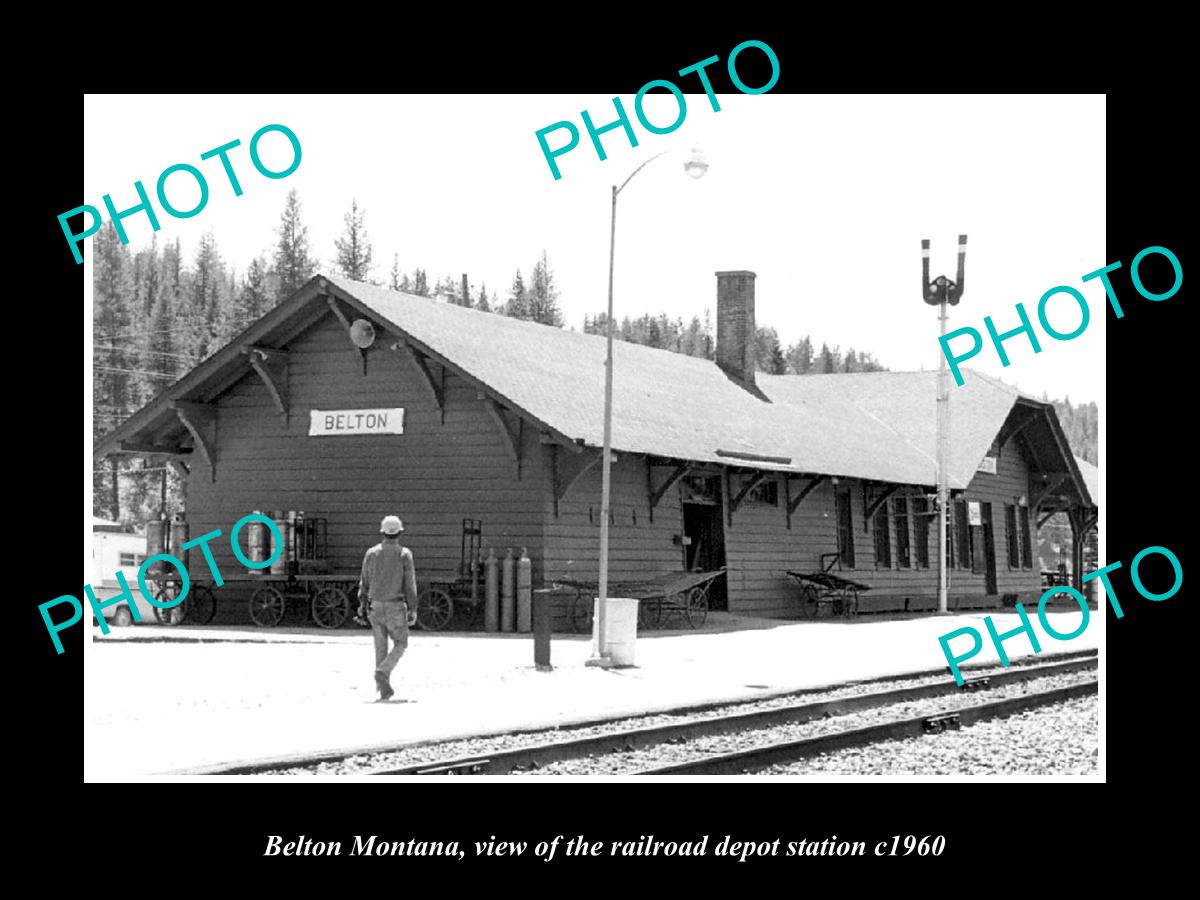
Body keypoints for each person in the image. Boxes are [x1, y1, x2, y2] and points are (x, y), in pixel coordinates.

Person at [358, 515, 418, 701]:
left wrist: (361, 604)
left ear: (383, 533)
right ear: (399, 533)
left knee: (380, 647)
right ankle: (383, 672)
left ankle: (382, 689)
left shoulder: (371, 553)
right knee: (401, 643)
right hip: (395, 605)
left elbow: (364, 581)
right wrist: (413, 608)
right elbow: (410, 584)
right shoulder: (404, 554)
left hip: (374, 606)